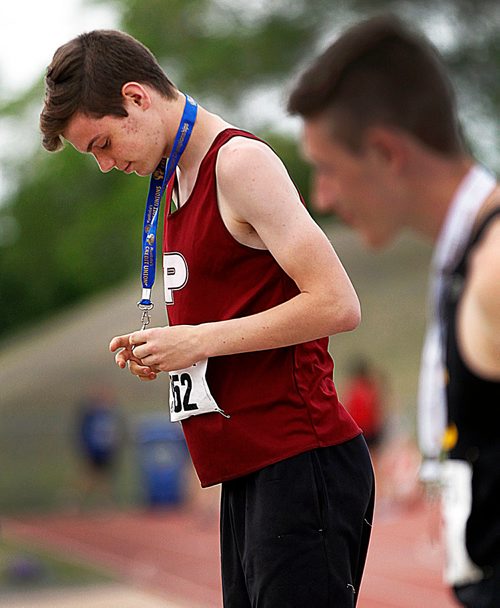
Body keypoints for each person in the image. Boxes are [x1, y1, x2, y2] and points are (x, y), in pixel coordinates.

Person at [40, 30, 374, 607]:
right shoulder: (170, 181)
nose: (102, 164)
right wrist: (169, 349)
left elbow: (337, 303)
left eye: (101, 142)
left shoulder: (239, 163)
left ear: (137, 98)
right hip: (249, 470)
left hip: (299, 460)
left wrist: (196, 341)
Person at [288, 14, 500, 608]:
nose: (320, 197)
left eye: (326, 168)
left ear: (385, 152)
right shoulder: (465, 257)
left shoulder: (495, 269)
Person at [75, 384, 123, 509]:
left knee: (105, 478)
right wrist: (86, 448)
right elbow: (83, 432)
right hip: (93, 449)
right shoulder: (90, 414)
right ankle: (75, 501)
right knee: (88, 477)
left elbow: (116, 432)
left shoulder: (111, 413)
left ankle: (103, 503)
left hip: (106, 449)